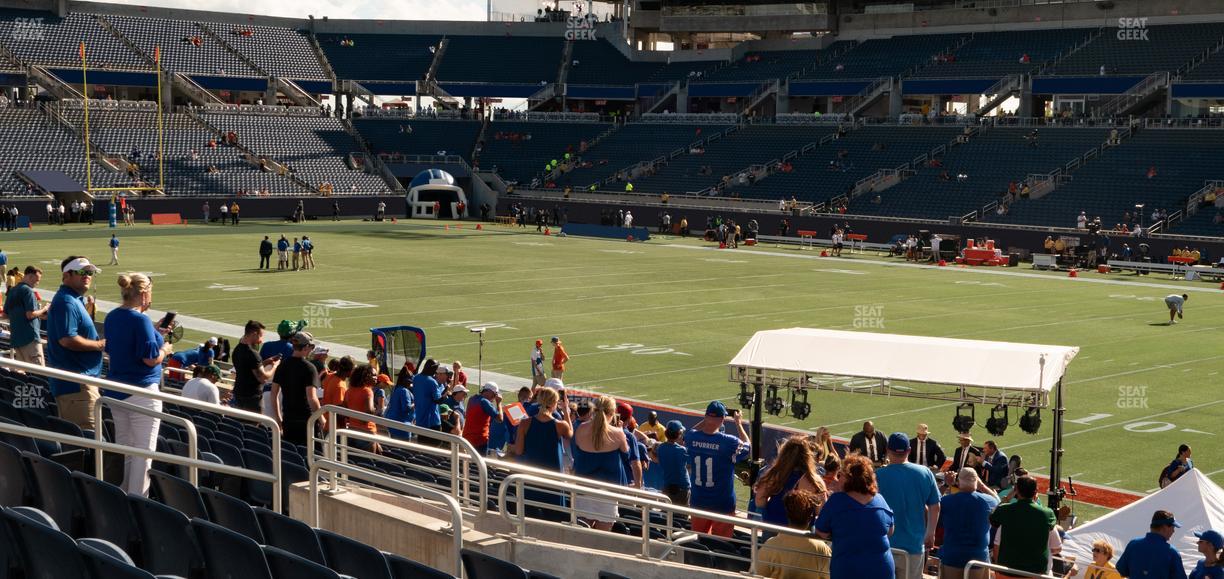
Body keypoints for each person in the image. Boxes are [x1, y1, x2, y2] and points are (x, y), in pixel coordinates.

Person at [103, 272, 174, 496]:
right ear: (143, 294)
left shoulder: (113, 315)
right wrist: (165, 349)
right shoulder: (140, 319)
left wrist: (155, 332)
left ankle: (125, 495)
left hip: (116, 391)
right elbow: (150, 359)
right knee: (144, 454)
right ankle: (137, 502)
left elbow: (120, 344)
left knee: (128, 451)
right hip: (141, 391)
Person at [47, 257, 105, 430]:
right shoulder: (66, 301)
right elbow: (67, 339)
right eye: (81, 272)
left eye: (89, 272)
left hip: (80, 382)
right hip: (77, 384)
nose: (87, 276)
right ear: (67, 275)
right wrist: (100, 345)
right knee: (89, 440)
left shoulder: (74, 299)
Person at [813, 454, 895, 578]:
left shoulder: (837, 501)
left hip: (849, 571)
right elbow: (890, 530)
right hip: (882, 570)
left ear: (849, 479)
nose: (838, 478)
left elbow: (820, 532)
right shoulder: (880, 500)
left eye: (841, 475)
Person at [876, 433, 940, 579]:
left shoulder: (878, 475)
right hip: (914, 546)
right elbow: (935, 506)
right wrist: (931, 533)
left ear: (887, 450)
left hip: (885, 545)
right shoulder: (925, 473)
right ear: (909, 450)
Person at [685, 401, 750, 537]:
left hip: (698, 500)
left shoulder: (692, 438)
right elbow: (748, 447)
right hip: (722, 503)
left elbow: (690, 432)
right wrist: (738, 424)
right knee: (721, 545)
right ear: (723, 420)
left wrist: (707, 420)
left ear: (705, 416)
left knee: (698, 541)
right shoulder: (729, 442)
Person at [571, 395, 629, 531]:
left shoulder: (581, 429)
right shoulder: (618, 434)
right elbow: (627, 456)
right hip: (608, 493)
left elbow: (576, 452)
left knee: (581, 534)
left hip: (584, 489)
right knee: (602, 539)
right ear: (612, 413)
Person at [939, 468, 1000, 579]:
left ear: (958, 481)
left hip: (952, 556)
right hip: (978, 558)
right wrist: (982, 486)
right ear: (976, 481)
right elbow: (998, 501)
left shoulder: (947, 501)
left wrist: (946, 484)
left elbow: (933, 503)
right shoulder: (988, 501)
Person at [990, 476, 1057, 576]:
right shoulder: (1047, 513)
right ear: (1036, 492)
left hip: (1008, 570)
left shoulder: (1005, 510)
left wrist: (1007, 499)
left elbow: (993, 519)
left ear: (1016, 490)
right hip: (1035, 572)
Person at [755, 435, 826, 528]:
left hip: (774, 524)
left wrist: (762, 513)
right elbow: (821, 511)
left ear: (783, 453)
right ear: (808, 456)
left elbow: (760, 498)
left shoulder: (775, 473)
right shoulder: (814, 480)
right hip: (802, 529)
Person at [758, 490, 832, 579]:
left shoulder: (771, 544)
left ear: (787, 514)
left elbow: (758, 574)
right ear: (810, 517)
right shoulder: (822, 549)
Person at [270, 331, 322, 446]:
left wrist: (278, 418)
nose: (311, 350)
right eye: (311, 347)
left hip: (288, 418)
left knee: (291, 452)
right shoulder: (309, 368)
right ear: (306, 347)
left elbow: (273, 394)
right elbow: (312, 398)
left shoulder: (282, 365)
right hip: (306, 420)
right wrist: (321, 417)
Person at [1116, 510, 1187, 579]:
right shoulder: (1172, 553)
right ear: (1164, 527)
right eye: (1173, 527)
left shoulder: (1133, 544)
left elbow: (1122, 570)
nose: (1173, 531)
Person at [5, 266, 50, 366]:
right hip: (30, 338)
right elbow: (30, 315)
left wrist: (39, 315)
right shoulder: (28, 291)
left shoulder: (13, 290)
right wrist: (45, 309)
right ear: (30, 276)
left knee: (26, 375)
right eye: (37, 280)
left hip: (16, 339)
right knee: (39, 374)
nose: (37, 283)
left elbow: (6, 314)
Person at [230, 320, 278, 412]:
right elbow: (263, 378)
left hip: (239, 393)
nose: (261, 340)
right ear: (254, 334)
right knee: (253, 424)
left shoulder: (237, 349)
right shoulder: (253, 354)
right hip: (252, 397)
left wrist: (265, 362)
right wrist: (275, 366)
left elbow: (248, 368)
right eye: (261, 335)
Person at [342, 364, 380, 454]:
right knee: (367, 463)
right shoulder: (367, 391)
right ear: (366, 376)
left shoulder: (349, 391)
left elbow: (345, 409)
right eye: (374, 375)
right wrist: (376, 409)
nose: (376, 377)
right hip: (366, 433)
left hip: (351, 431)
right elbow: (369, 412)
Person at [463, 382, 504, 455]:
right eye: (494, 394)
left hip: (467, 437)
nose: (494, 398)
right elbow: (500, 419)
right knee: (479, 464)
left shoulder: (472, 398)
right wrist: (499, 403)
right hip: (479, 440)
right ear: (489, 392)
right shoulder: (484, 402)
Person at [656, 420, 690, 506]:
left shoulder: (660, 448)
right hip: (682, 488)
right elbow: (689, 465)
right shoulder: (682, 450)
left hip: (667, 485)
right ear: (679, 434)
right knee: (681, 516)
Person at [320, 356, 354, 432]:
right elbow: (339, 412)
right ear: (350, 370)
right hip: (334, 428)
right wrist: (343, 430)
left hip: (326, 421)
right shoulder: (340, 386)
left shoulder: (329, 376)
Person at [412, 359, 447, 432]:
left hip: (420, 419)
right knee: (434, 443)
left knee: (421, 442)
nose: (436, 372)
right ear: (433, 369)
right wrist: (445, 394)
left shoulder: (416, 378)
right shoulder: (432, 382)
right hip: (432, 421)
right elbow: (438, 400)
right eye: (436, 369)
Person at [383, 367, 414, 440]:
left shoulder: (396, 389)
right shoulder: (404, 391)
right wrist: (415, 403)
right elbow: (406, 408)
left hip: (393, 424)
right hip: (402, 427)